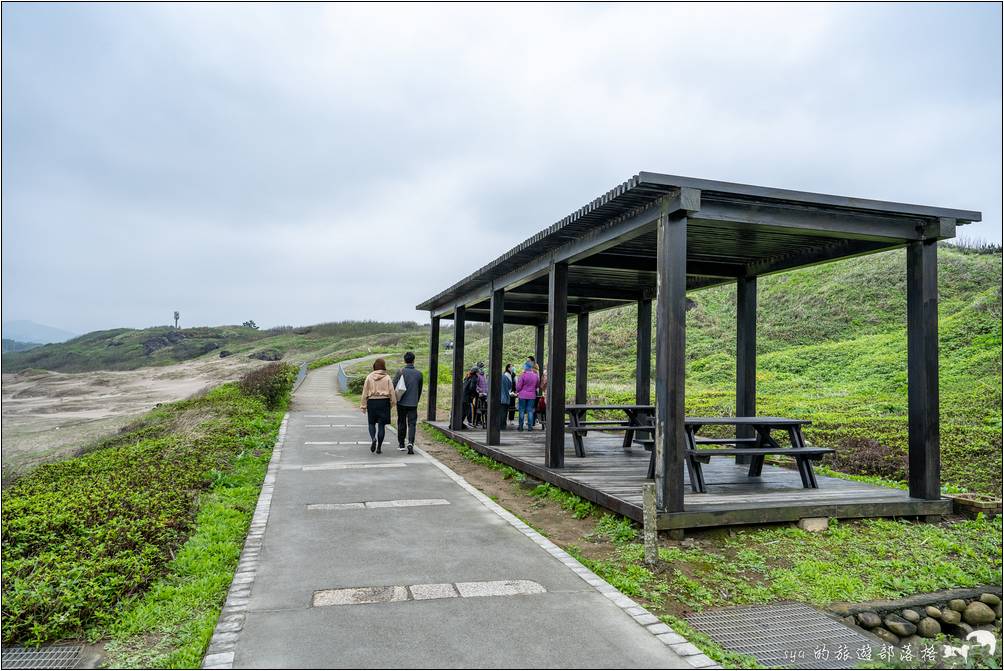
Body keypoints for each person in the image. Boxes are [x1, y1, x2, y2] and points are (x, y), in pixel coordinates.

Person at [360, 358, 396, 454]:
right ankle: (379, 447)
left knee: (371, 423)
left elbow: (365, 392)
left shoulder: (369, 377)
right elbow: (392, 392)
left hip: (372, 402)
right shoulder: (387, 377)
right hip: (384, 402)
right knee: (381, 425)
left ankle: (373, 439)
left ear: (374, 366)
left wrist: (363, 405)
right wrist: (392, 403)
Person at [393, 351, 423, 454]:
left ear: (405, 360)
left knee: (401, 422)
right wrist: (416, 400)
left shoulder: (400, 372)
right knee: (412, 424)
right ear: (414, 360)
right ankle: (410, 442)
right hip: (413, 403)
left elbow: (394, 386)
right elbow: (419, 390)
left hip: (401, 402)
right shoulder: (419, 374)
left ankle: (401, 444)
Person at [515, 362, 539, 431]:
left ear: (525, 367)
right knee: (530, 411)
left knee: (521, 410)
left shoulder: (522, 375)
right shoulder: (535, 376)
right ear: (531, 368)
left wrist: (517, 391)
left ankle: (520, 427)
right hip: (532, 396)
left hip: (522, 395)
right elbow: (537, 385)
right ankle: (530, 427)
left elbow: (518, 386)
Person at [499, 365, 514, 431]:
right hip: (505, 398)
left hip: (495, 399)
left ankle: (495, 426)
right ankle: (502, 426)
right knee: (504, 413)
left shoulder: (491, 377)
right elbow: (510, 386)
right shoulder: (505, 377)